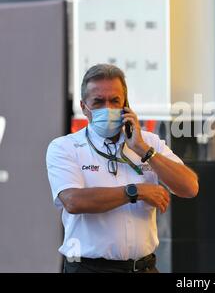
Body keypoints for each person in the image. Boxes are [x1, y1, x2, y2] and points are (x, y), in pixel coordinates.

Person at [46, 64, 199, 273]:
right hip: (89, 268)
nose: (107, 108)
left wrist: (143, 149)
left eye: (115, 101)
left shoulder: (149, 142)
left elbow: (190, 187)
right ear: (84, 107)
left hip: (144, 267)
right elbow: (73, 201)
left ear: (126, 106)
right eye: (98, 102)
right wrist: (136, 191)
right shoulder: (64, 147)